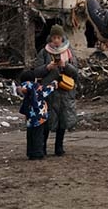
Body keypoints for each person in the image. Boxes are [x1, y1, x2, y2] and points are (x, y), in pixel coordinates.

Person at [33, 24, 78, 156]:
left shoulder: (69, 51)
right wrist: (48, 67)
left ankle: (59, 147)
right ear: (50, 38)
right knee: (47, 120)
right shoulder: (44, 52)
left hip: (65, 91)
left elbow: (75, 72)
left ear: (62, 38)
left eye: (58, 37)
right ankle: (43, 147)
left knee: (63, 120)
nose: (56, 40)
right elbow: (36, 71)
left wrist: (66, 66)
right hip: (49, 92)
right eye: (54, 37)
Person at [18, 70, 57, 160]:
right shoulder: (37, 87)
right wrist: (54, 84)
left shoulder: (23, 87)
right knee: (38, 134)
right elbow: (47, 90)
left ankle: (30, 152)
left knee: (30, 134)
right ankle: (38, 153)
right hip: (39, 115)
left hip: (29, 115)